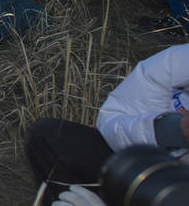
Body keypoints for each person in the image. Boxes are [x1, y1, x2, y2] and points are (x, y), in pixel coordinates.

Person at [25, 43, 189, 203]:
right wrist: (172, 130)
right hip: (155, 168)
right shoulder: (178, 61)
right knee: (48, 135)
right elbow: (111, 120)